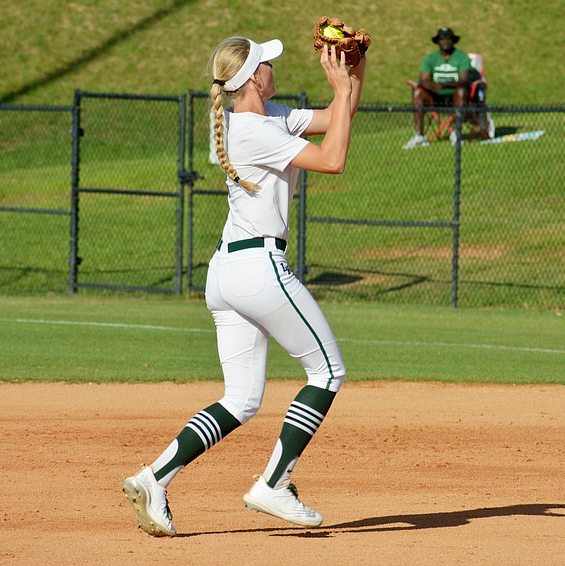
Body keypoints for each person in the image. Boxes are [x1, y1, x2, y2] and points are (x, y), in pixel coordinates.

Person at [122, 36, 365, 536]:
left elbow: (333, 119)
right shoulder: (255, 131)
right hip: (259, 267)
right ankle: (274, 484)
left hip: (227, 271)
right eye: (267, 63)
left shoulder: (253, 119)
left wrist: (353, 76)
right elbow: (333, 158)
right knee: (327, 371)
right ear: (254, 77)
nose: (274, 66)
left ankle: (155, 477)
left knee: (241, 398)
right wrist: (341, 88)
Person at [403, 27, 472, 149]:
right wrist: (434, 87)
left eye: (448, 38)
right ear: (438, 41)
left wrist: (445, 84)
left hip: (455, 98)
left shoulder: (462, 57)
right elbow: (423, 80)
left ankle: (457, 132)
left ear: (453, 40)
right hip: (435, 98)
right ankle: (419, 135)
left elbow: (465, 80)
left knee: (461, 91)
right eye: (442, 38)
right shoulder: (430, 59)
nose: (445, 41)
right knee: (418, 92)